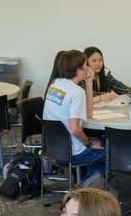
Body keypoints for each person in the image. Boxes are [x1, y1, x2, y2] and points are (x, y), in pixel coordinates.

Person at [43, 49, 105, 178]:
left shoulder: (55, 84)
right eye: (86, 65)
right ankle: (87, 188)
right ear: (78, 69)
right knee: (110, 150)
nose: (88, 68)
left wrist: (88, 84)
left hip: (54, 149)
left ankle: (83, 181)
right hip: (74, 152)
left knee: (98, 142)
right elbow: (75, 129)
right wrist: (88, 143)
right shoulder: (76, 92)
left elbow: (88, 114)